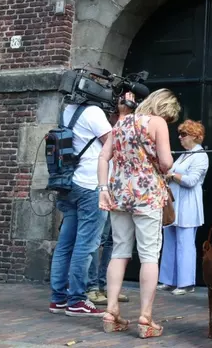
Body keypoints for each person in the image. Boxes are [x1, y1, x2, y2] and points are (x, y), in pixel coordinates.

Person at [97, 88, 181, 339]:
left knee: (120, 250)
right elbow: (165, 163)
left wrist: (103, 188)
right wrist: (166, 164)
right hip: (148, 196)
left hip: (120, 193)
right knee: (149, 255)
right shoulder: (157, 123)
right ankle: (145, 316)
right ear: (165, 109)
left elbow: (104, 157)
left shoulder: (121, 123)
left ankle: (111, 310)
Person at [48, 97, 111, 318]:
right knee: (86, 244)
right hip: (90, 183)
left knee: (65, 243)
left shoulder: (68, 110)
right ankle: (76, 299)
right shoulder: (94, 112)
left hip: (70, 183)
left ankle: (58, 298)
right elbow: (113, 145)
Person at [87, 95, 138, 306]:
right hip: (100, 187)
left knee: (111, 241)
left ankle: (104, 284)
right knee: (95, 239)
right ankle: (91, 286)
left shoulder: (122, 129)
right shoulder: (110, 129)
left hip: (115, 190)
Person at [157, 120, 209, 295]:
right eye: (180, 134)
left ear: (195, 136)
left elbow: (192, 180)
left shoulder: (200, 155)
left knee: (185, 243)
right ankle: (168, 279)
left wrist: (173, 175)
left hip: (188, 204)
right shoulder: (184, 154)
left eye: (184, 134)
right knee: (170, 241)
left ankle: (186, 282)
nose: (180, 137)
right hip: (174, 203)